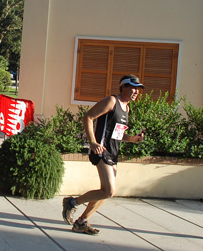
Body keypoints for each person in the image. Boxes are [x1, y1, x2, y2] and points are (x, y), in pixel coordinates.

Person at [62, 75, 146, 235]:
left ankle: (82, 221)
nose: (136, 92)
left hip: (113, 153)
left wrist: (133, 139)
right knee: (109, 191)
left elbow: (117, 134)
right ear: (123, 87)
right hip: (101, 151)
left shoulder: (126, 107)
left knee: (104, 192)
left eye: (138, 89)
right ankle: (72, 202)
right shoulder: (112, 101)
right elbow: (88, 117)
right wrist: (93, 142)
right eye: (133, 87)